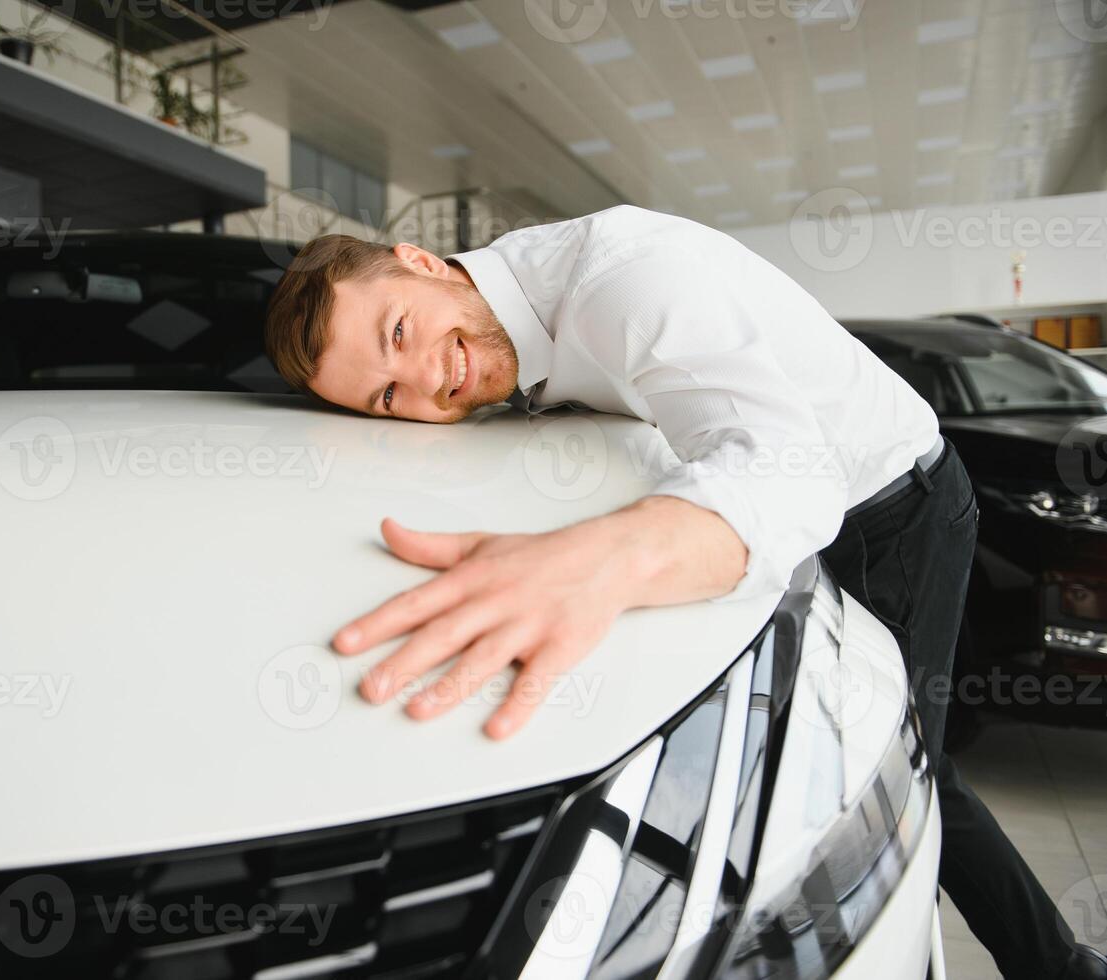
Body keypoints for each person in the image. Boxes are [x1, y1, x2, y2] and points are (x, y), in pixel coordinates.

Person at [261, 206, 1105, 980]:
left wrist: (596, 560)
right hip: (809, 518)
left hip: (891, 504)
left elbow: (792, 474)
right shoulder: (504, 316)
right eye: (386, 395)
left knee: (902, 766)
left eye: (400, 330)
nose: (425, 382)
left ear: (420, 260)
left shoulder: (623, 285)